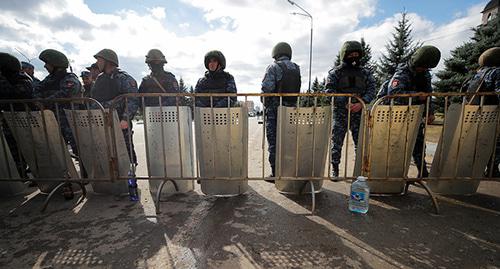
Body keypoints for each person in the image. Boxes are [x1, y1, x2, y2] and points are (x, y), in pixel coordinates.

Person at [386, 45, 441, 178]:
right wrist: (416, 95)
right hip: (398, 114)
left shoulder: (425, 74)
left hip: (415, 114)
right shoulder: (402, 73)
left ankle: (422, 171)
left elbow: (428, 94)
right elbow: (393, 92)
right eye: (423, 67)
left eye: (427, 68)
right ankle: (392, 174)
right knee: (395, 144)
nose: (424, 70)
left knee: (419, 143)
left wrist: (430, 112)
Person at [325, 41, 376, 178]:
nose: (354, 57)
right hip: (341, 113)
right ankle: (335, 168)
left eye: (356, 54)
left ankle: (359, 171)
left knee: (360, 144)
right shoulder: (336, 73)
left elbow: (372, 89)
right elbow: (329, 92)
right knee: (337, 143)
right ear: (345, 55)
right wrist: (345, 103)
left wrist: (361, 103)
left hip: (359, 113)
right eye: (351, 54)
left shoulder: (365, 72)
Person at [90, 48, 139, 165]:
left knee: (127, 155)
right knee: (107, 155)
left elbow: (132, 99)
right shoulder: (100, 79)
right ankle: (114, 182)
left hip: (120, 123)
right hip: (103, 123)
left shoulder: (123, 78)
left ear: (108, 61)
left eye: (99, 60)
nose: (97, 63)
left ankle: (131, 181)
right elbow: (94, 100)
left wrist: (125, 119)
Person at [261, 42, 301, 179]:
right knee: (290, 141)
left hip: (275, 111)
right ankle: (289, 172)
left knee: (274, 143)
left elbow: (267, 88)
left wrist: (264, 102)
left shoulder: (274, 67)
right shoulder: (296, 68)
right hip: (292, 111)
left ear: (275, 53)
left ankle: (275, 173)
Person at [463, 47, 500, 177]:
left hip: (474, 112)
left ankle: (470, 169)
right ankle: (492, 170)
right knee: (495, 142)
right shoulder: (497, 72)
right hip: (491, 113)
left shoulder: (478, 72)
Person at [0, 52, 33, 175]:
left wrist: (1, 79)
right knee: (13, 150)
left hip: (24, 121)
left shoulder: (23, 79)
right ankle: (19, 174)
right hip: (9, 121)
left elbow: (11, 94)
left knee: (29, 150)